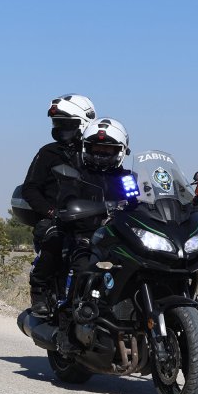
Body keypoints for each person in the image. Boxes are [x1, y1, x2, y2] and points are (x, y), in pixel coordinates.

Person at [21, 94, 96, 316]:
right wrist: (50, 212)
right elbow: (30, 189)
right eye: (57, 123)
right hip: (58, 219)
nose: (60, 128)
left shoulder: (100, 152)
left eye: (67, 124)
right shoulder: (48, 153)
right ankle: (40, 290)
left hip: (93, 220)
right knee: (54, 236)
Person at [56, 118, 133, 308]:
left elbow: (140, 202)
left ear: (120, 151)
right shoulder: (76, 175)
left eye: (108, 149)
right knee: (84, 269)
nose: (101, 153)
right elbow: (66, 204)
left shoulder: (128, 179)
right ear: (86, 148)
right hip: (86, 238)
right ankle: (70, 315)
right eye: (96, 148)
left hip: (120, 240)